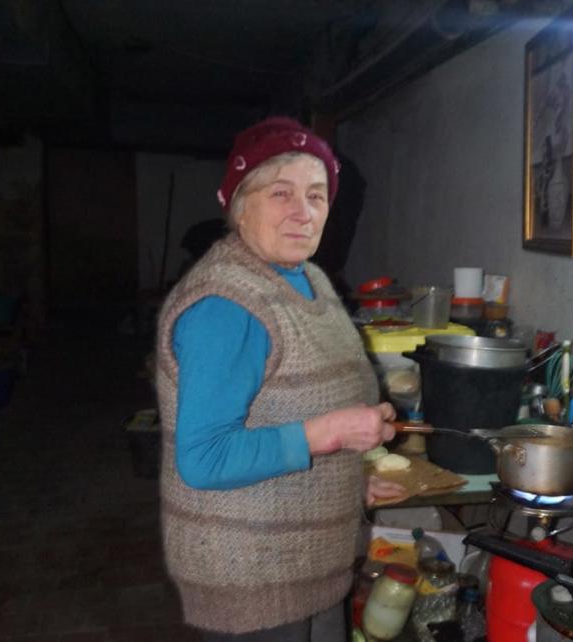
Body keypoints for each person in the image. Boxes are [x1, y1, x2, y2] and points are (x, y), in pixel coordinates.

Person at [155, 117, 405, 641]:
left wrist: (350, 481)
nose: (303, 212)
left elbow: (289, 408)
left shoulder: (308, 278)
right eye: (280, 193)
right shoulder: (227, 304)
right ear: (240, 204)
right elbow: (204, 460)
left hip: (308, 562)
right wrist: (332, 433)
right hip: (253, 577)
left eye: (317, 195)